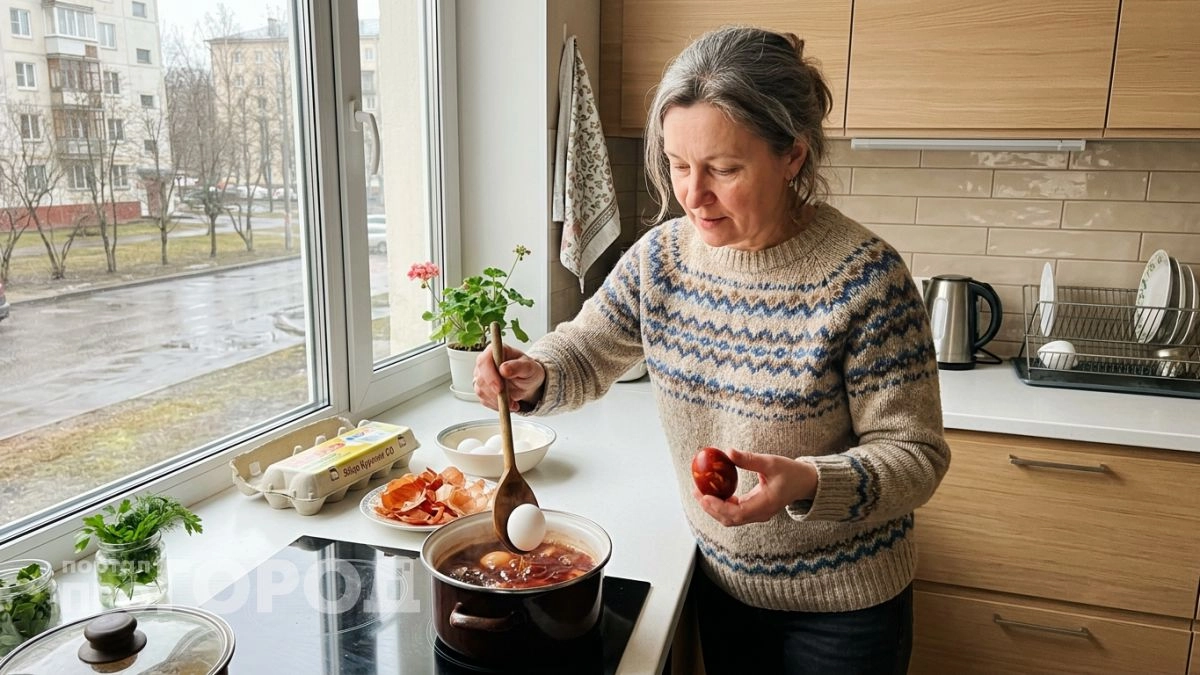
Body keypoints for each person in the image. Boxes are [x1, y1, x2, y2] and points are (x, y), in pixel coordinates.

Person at [473, 25, 950, 675]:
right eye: (677, 164)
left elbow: (917, 457)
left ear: (793, 157)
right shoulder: (661, 260)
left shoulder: (866, 280)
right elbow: (586, 347)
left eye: (723, 169)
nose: (692, 195)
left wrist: (808, 481)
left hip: (846, 610)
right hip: (722, 585)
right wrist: (534, 373)